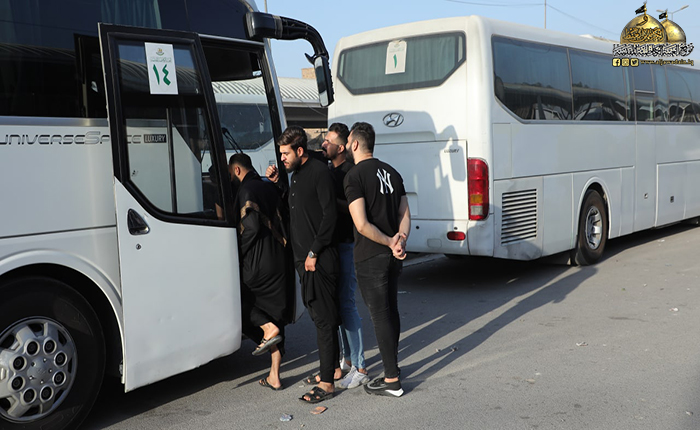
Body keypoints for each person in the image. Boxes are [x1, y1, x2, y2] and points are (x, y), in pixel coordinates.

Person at [266, 126, 341, 404]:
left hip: (318, 259)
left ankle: (327, 383)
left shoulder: (319, 172)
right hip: (304, 260)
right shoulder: (295, 174)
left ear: (300, 150)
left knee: (323, 320)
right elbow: (296, 210)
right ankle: (332, 369)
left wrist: (314, 252)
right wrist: (279, 184)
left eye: (286, 153)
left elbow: (330, 217)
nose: (282, 159)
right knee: (319, 316)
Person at [343, 122, 411, 397]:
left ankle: (392, 380)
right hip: (393, 257)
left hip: (371, 256)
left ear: (355, 144)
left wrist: (388, 242)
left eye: (348, 142)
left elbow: (361, 224)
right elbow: (404, 214)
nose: (346, 147)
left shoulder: (354, 176)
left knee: (380, 315)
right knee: (391, 311)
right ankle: (393, 368)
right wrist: (400, 240)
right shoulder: (392, 172)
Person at [229, 153, 290, 391]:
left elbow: (252, 227)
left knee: (239, 304)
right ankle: (274, 375)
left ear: (236, 170)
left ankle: (266, 328)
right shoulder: (267, 186)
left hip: (257, 263)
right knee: (275, 317)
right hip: (278, 260)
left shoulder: (246, 190)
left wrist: (237, 252)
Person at [321, 122, 370, 389]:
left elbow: (355, 210)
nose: (323, 144)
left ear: (342, 147)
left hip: (348, 244)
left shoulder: (351, 173)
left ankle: (360, 366)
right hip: (332, 245)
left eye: (328, 141)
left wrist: (330, 200)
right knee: (338, 304)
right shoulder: (328, 170)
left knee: (347, 303)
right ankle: (348, 360)